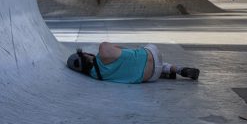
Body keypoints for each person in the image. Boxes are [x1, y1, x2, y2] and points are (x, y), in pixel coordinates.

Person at [67, 42, 200, 84]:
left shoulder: (97, 76)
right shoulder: (103, 49)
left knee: (132, 66)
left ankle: (170, 71)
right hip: (153, 55)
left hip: (150, 77)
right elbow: (122, 48)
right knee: (141, 52)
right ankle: (177, 69)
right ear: (85, 54)